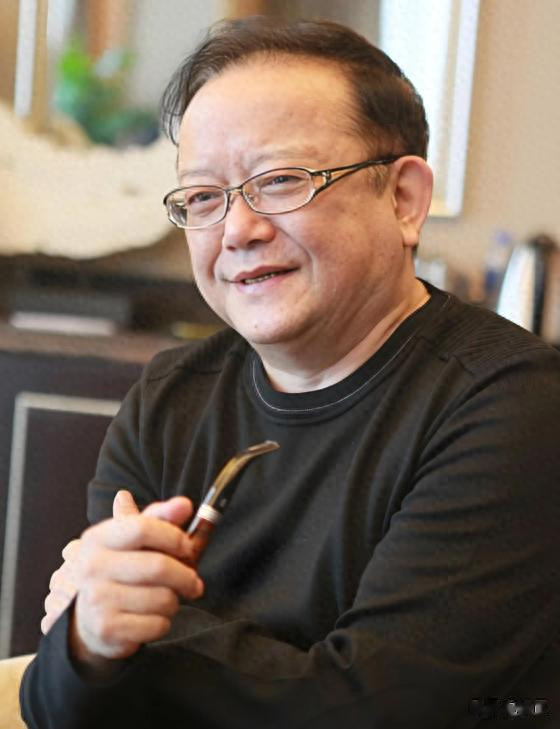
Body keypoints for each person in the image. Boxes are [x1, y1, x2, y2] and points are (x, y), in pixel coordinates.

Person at [20, 16, 560, 729]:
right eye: (204, 197)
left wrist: (130, 629)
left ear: (403, 199)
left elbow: (372, 709)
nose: (237, 230)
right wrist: (91, 644)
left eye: (279, 181)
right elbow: (58, 705)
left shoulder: (513, 405)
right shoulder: (170, 395)